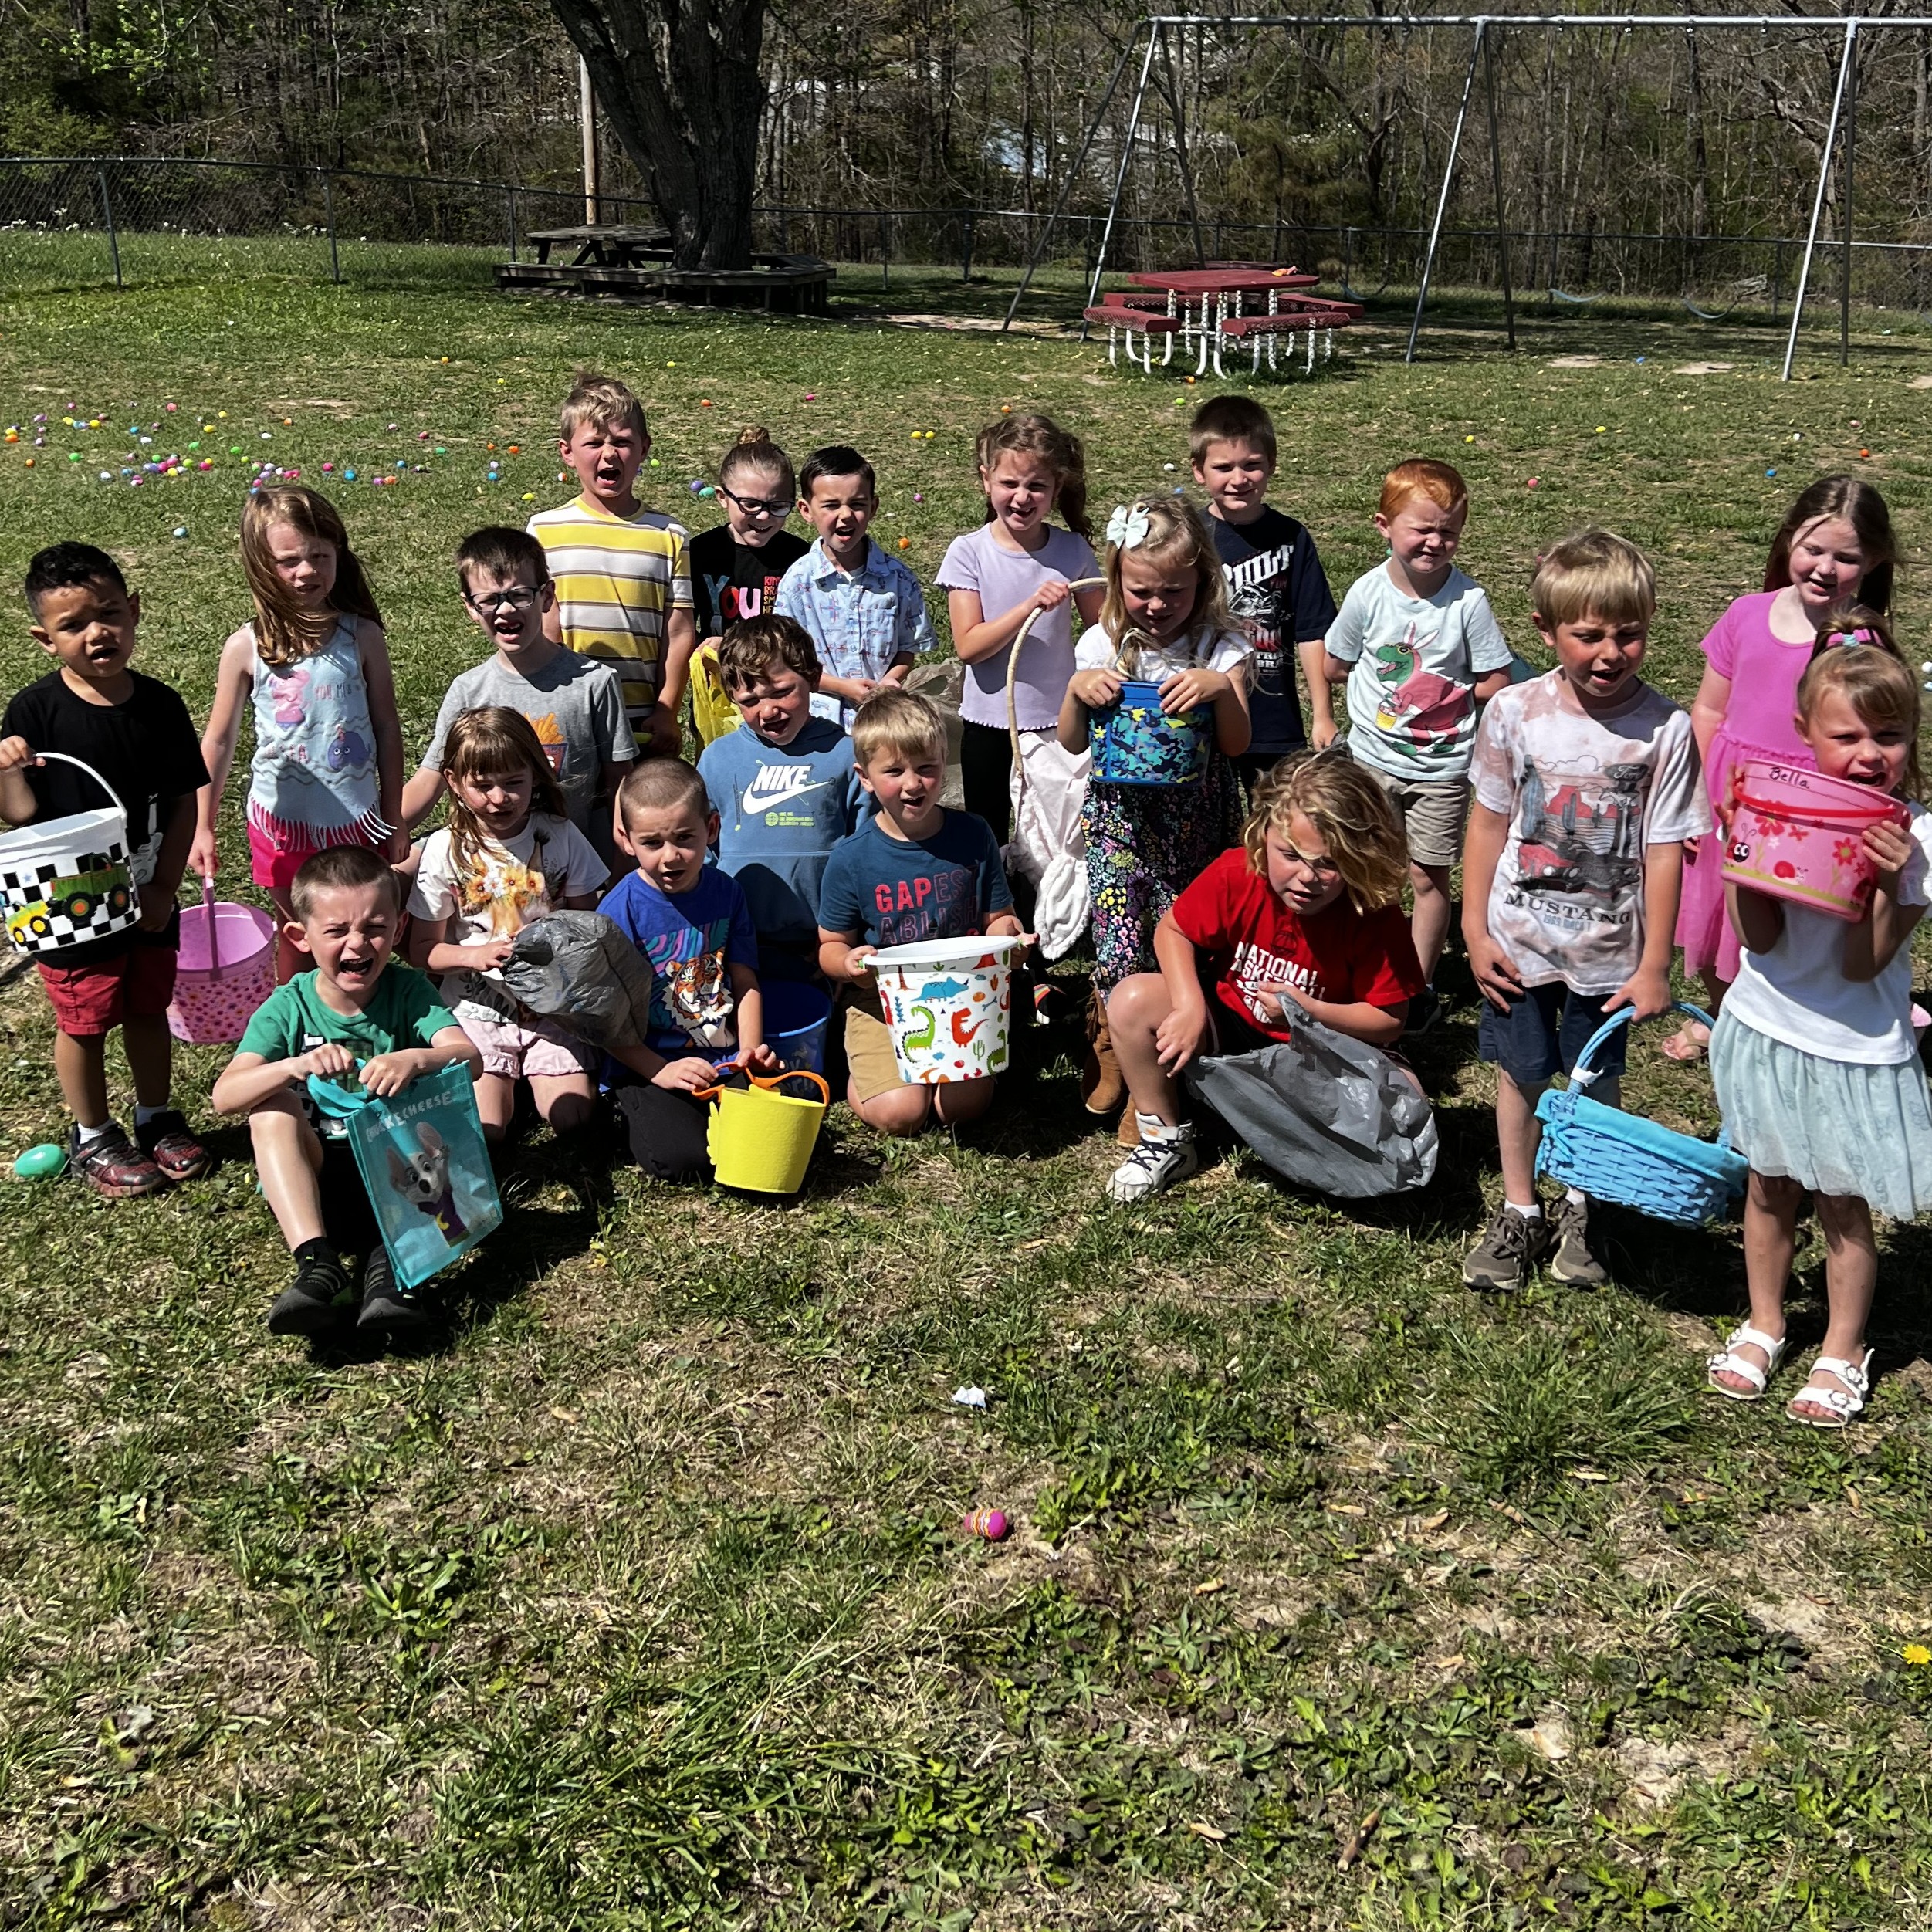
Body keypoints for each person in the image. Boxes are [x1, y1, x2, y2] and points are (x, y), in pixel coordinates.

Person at [1460, 530, 1707, 1292]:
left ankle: (1583, 1205)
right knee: (1520, 1075)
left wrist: (1654, 963)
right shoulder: (1512, 712)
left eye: (1627, 634)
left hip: (1608, 952)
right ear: (1544, 631)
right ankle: (1518, 1206)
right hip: (1518, 940)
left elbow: (1667, 849)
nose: (1609, 652)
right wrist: (1472, 929)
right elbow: (1487, 822)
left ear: (1649, 623)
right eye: (1587, 634)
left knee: (1592, 1083)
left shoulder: (1665, 730)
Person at [1705, 646, 1932, 1427]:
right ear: (1804, 732)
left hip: (1851, 1045)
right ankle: (1766, 1319)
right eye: (1847, 737)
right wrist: (1744, 854)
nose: (1870, 754)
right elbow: (1761, 941)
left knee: (1841, 1201)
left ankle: (1843, 1344)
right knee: (1768, 1184)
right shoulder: (1782, 802)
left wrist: (1892, 886)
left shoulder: (1916, 838)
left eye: (1890, 735)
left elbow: (1863, 961)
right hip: (1769, 1024)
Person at [1105, 753, 1424, 1202]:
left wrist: (1304, 1011)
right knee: (1132, 999)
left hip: (1320, 1050)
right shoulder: (1238, 872)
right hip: (1234, 1026)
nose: (1307, 878)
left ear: (1360, 856)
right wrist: (1190, 1006)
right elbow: (1173, 929)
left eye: (1329, 864)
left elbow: (1390, 1019)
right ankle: (1164, 1137)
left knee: (1409, 1105)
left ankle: (1274, 1125)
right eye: (1290, 855)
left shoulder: (1372, 912)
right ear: (1262, 836)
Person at [0, 543, 210, 1196]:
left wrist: (165, 888)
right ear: (44, 638)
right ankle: (93, 1131)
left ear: (135, 610)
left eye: (110, 613)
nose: (97, 632)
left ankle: (156, 1116)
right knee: (84, 1018)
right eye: (73, 624)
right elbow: (20, 813)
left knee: (148, 1004)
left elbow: (183, 802)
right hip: (70, 901)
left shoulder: (162, 706)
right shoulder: (35, 714)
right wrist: (6, 767)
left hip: (147, 890)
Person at [1668, 475, 1900, 1059]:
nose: (1824, 567)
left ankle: (1778, 1022)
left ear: (1872, 560)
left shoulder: (1859, 642)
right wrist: (1693, 799)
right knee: (1718, 915)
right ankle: (1724, 1016)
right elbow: (1707, 708)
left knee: (1791, 929)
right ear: (1786, 542)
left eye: (1845, 557)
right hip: (1731, 796)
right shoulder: (1746, 614)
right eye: (1811, 548)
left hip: (1811, 811)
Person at [212, 844, 482, 1341]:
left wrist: (417, 1058)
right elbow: (226, 1095)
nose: (358, 945)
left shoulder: (408, 990)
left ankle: (390, 1276)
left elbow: (471, 1059)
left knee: (423, 1136)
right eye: (336, 931)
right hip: (315, 1185)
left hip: (402, 1178)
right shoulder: (288, 1006)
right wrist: (293, 1066)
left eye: (375, 928)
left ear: (397, 930)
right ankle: (318, 1265)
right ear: (300, 936)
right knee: (269, 1109)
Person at [1057, 495, 1251, 1134]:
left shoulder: (1220, 646)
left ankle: (1172, 1069)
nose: (1157, 604)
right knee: (1118, 939)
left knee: (1187, 936)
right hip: (1120, 822)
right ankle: (1118, 1044)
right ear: (1116, 581)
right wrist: (1075, 693)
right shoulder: (1101, 643)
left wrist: (1220, 689)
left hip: (1196, 821)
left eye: (1175, 590)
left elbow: (1236, 744)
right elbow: (1071, 742)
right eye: (1141, 590)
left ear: (1203, 582)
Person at [1321, 459, 1514, 1031]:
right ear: (1384, 525)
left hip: (1442, 767)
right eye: (1420, 529)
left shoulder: (1467, 602)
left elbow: (1495, 678)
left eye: (1447, 531)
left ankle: (1416, 984)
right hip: (1371, 760)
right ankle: (1352, 966)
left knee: (1428, 877)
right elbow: (1335, 662)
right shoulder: (1366, 593)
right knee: (1356, 867)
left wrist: (1446, 700)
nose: (1434, 541)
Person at [193, 486, 406, 982]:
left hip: (357, 822)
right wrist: (202, 824)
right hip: (281, 827)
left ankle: (362, 1020)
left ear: (338, 554)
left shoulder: (362, 637)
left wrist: (394, 814)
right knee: (300, 932)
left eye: (319, 556)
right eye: (289, 560)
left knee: (357, 932)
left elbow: (387, 728)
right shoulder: (245, 647)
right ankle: (298, 1020)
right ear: (261, 565)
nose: (307, 570)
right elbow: (219, 741)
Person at [817, 689, 1026, 1136]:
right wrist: (849, 964)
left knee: (960, 1110)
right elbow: (831, 945)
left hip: (964, 993)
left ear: (943, 763)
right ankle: (863, 1077)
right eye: (894, 771)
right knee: (901, 1115)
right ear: (865, 778)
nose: (913, 784)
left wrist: (1012, 936)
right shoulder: (851, 857)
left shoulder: (973, 834)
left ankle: (931, 1081)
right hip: (881, 1000)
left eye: (927, 769)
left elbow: (999, 918)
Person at [407, 709, 609, 1144]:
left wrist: (555, 939)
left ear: (536, 777)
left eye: (513, 782)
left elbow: (588, 925)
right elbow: (421, 950)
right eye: (482, 786)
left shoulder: (559, 833)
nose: (499, 798)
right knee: (487, 1132)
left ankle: (531, 1077)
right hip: (475, 1010)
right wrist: (473, 956)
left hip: (552, 1008)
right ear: (453, 782)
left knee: (575, 1119)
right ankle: (502, 1086)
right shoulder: (445, 849)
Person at [403, 526, 635, 856]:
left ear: (547, 596)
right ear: (469, 607)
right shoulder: (468, 691)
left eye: (520, 595)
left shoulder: (595, 683)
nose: (506, 610)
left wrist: (621, 868)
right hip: (487, 869)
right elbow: (430, 780)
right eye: (489, 600)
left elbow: (620, 786)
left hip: (573, 871)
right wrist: (380, 835)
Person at [599, 758, 777, 1180]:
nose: (670, 857)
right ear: (626, 841)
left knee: (765, 1139)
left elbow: (745, 980)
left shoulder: (727, 893)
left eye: (684, 838)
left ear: (711, 829)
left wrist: (749, 1056)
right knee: (683, 1161)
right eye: (652, 843)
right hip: (649, 1064)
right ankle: (626, 1108)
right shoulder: (617, 912)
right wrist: (660, 1071)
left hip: (723, 1057)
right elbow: (605, 1022)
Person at [936, 411, 1102, 848]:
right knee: (987, 833)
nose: (1022, 497)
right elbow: (969, 646)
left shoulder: (1072, 550)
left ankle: (1047, 912)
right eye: (1010, 484)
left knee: (1054, 834)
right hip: (989, 724)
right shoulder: (968, 552)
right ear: (986, 479)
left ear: (1056, 489)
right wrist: (1030, 605)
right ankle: (996, 914)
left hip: (1060, 724)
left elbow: (1103, 632)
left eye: (1036, 486)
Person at [526, 368, 695, 756]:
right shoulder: (543, 530)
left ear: (644, 449)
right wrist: (551, 698)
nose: (609, 453)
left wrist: (667, 709)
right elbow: (543, 622)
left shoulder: (669, 535)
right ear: (566, 452)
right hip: (566, 707)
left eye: (622, 442)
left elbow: (680, 631)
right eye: (594, 443)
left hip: (642, 720)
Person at [697, 614, 865, 984]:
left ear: (812, 677)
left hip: (830, 942)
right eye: (750, 699)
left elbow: (865, 845)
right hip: (740, 941)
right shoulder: (716, 758)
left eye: (781, 691)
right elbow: (702, 852)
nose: (768, 710)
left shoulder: (846, 753)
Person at [1189, 394, 1338, 789]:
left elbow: (1312, 631)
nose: (1238, 479)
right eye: (1223, 467)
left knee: (1274, 825)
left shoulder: (1292, 537)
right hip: (1197, 712)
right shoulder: (1187, 536)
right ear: (1199, 471)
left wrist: (1322, 713)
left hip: (1272, 714)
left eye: (1252, 465)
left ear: (1271, 464)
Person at [774, 444, 933, 728]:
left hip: (883, 720)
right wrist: (841, 687)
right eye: (832, 505)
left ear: (873, 507)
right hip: (817, 724)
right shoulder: (797, 583)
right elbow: (787, 660)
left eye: (857, 504)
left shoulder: (898, 579)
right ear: (806, 510)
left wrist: (891, 679)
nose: (846, 515)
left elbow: (908, 647)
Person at [688, 428, 810, 748]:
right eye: (750, 504)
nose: (764, 516)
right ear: (721, 497)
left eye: (778, 506)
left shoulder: (801, 558)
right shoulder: (699, 553)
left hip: (781, 698)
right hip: (720, 692)